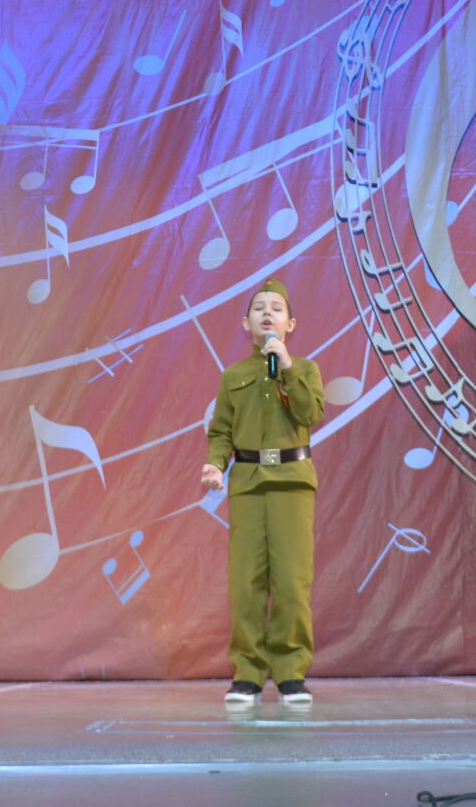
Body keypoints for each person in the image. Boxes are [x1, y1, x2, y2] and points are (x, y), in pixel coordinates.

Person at [200, 278, 325, 706]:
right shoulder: (233, 376)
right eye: (258, 308)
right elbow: (221, 432)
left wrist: (286, 366)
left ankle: (291, 674)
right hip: (249, 485)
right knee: (247, 582)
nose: (267, 313)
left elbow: (311, 413)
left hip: (292, 482)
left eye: (276, 308)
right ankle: (248, 674)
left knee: (291, 581)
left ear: (290, 324)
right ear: (246, 322)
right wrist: (216, 464)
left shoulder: (305, 369)